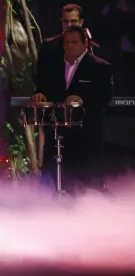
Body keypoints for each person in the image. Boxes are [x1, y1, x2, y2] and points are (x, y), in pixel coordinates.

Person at [32, 26, 114, 194]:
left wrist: (83, 100)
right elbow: (44, 87)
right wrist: (40, 94)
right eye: (67, 42)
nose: (70, 46)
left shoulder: (100, 67)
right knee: (53, 179)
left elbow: (105, 97)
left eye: (74, 42)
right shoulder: (53, 65)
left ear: (85, 44)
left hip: (85, 136)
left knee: (85, 185)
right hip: (57, 134)